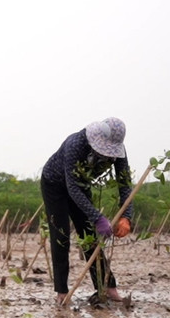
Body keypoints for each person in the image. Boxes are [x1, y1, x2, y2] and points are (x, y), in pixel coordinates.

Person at [41, 118, 134, 306]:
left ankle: (107, 287)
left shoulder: (119, 152)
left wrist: (127, 217)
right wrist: (98, 217)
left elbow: (124, 184)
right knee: (61, 236)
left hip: (81, 186)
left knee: (89, 236)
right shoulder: (75, 144)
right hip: (55, 184)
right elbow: (72, 187)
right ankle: (62, 292)